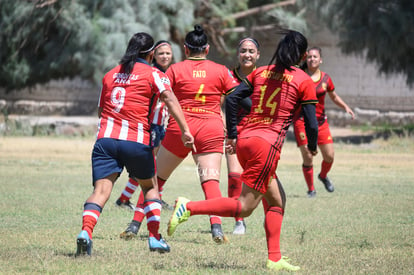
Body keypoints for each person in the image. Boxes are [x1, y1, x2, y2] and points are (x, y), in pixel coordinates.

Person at [167, 30, 319, 272]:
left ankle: (275, 258)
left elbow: (233, 98)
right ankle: (189, 207)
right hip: (265, 146)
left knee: (277, 199)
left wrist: (234, 134)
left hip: (246, 141)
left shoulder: (261, 72)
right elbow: (311, 123)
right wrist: (312, 147)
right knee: (244, 207)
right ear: (301, 55)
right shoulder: (303, 80)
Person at [75, 32, 194, 256]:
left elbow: (101, 110)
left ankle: (85, 233)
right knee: (150, 187)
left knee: (100, 190)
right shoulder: (154, 74)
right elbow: (169, 98)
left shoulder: (110, 74)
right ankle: (154, 238)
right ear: (151, 54)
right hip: (136, 140)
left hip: (106, 140)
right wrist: (186, 130)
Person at [120, 25, 238, 244]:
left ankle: (134, 225)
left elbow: (160, 96)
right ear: (207, 48)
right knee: (210, 182)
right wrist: (234, 129)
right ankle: (217, 230)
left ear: (185, 49)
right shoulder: (221, 70)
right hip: (211, 129)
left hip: (180, 130)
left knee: (154, 181)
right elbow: (237, 97)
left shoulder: (174, 70)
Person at [115, 40, 175, 211]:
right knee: (150, 165)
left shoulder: (168, 72)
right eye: (161, 53)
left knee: (157, 164)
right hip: (151, 125)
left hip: (161, 126)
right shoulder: (152, 72)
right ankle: (126, 198)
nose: (164, 56)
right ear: (153, 55)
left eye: (167, 53)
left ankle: (132, 198)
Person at [293, 46, 355, 198]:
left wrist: (345, 106)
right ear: (305, 59)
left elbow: (333, 96)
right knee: (308, 155)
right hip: (301, 121)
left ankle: (323, 175)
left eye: (315, 57)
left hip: (321, 122)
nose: (312, 59)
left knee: (329, 156)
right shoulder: (299, 76)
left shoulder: (326, 79)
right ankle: (311, 189)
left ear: (321, 60)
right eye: (309, 57)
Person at [225, 37, 260, 235]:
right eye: (243, 51)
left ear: (258, 55)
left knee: (262, 179)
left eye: (251, 51)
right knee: (235, 176)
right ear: (238, 54)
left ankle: (271, 214)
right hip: (234, 131)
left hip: (259, 133)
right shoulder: (229, 75)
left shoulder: (264, 76)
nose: (247, 54)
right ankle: (239, 221)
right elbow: (220, 102)